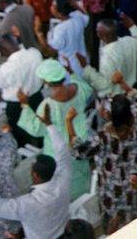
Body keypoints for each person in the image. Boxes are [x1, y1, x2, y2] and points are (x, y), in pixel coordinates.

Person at [0, 114, 72, 239]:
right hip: (64, 232)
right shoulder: (63, 180)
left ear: (35, 175)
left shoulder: (28, 204)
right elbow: (63, 153)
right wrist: (49, 125)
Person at [68, 72, 137, 233]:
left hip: (112, 189)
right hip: (133, 180)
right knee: (134, 216)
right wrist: (122, 81)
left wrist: (69, 122)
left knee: (114, 223)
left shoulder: (103, 138)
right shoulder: (134, 122)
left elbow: (77, 151)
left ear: (109, 115)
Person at [17, 59, 94, 201]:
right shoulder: (77, 88)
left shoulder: (48, 105)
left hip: (57, 154)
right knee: (80, 181)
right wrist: (72, 73)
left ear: (47, 82)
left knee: (63, 188)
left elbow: (36, 129)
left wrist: (24, 105)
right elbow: (87, 89)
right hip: (79, 147)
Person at [0, 33, 44, 147]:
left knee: (20, 133)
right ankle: (42, 147)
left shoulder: (7, 68)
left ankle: (24, 153)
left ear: (4, 48)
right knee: (41, 125)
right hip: (37, 98)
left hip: (16, 105)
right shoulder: (34, 53)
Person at [82, 14, 137, 97]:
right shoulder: (129, 41)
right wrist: (132, 26)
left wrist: (86, 68)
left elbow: (103, 84)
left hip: (116, 95)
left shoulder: (107, 58)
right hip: (131, 89)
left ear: (101, 35)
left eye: (97, 31)